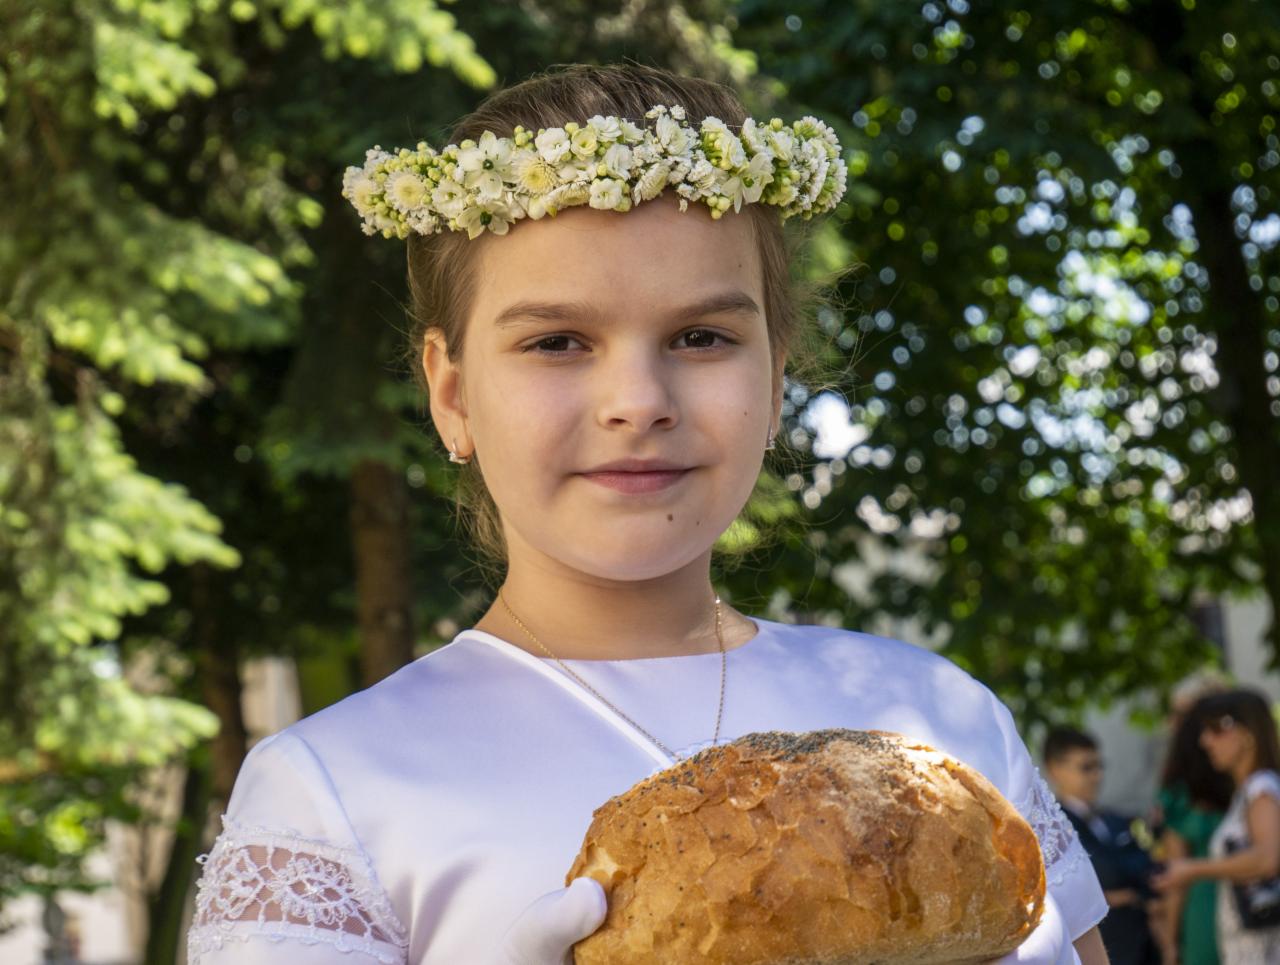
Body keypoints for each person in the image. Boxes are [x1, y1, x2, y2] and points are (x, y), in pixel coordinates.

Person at [184, 62, 1109, 964]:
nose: (638, 399)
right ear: (453, 393)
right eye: (557, 342)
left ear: (777, 376)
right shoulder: (338, 794)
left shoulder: (939, 723)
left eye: (701, 337)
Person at [1154, 688, 1280, 964]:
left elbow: (1268, 858)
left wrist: (1193, 869)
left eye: (1216, 730)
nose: (1205, 741)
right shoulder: (1250, 792)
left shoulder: (1262, 789)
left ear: (1248, 734)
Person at [1043, 727, 1160, 965]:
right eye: (1086, 767)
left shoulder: (1116, 820)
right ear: (1055, 768)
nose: (1096, 775)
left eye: (1099, 766)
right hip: (1096, 950)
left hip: (1142, 947)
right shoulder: (1050, 829)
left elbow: (1148, 872)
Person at [1153, 678, 1232, 965]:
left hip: (1205, 910)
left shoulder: (1178, 791)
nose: (1171, 723)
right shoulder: (1247, 775)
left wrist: (1170, 944)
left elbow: (1177, 877)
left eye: (1180, 714)